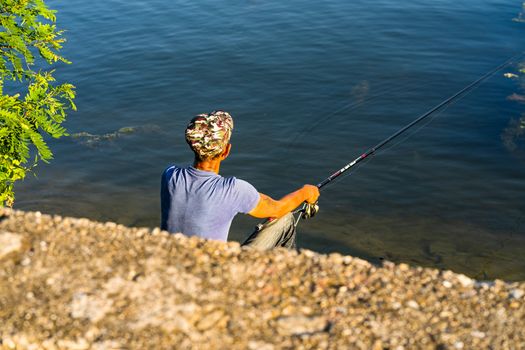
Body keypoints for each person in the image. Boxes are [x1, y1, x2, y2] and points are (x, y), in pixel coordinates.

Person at [160, 110, 320, 250]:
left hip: (174, 261)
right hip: (213, 272)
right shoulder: (233, 189)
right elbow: (277, 208)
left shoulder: (169, 176)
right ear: (226, 151)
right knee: (285, 219)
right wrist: (306, 192)